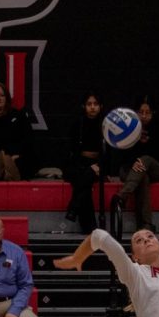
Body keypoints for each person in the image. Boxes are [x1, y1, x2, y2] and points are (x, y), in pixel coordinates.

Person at [110, 95, 159, 231]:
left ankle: (122, 195)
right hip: (130, 169)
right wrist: (134, 140)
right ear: (135, 113)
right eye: (141, 112)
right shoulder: (128, 128)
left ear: (153, 113)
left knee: (145, 159)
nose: (144, 116)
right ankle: (145, 225)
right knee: (143, 178)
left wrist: (142, 159)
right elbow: (121, 155)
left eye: (148, 113)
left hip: (155, 168)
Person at [63, 91, 104, 233]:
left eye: (95, 104)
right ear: (84, 106)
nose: (92, 107)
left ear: (100, 106)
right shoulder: (77, 124)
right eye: (89, 104)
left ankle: (74, 210)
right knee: (84, 179)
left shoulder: (106, 125)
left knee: (86, 177)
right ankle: (90, 227)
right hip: (79, 163)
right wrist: (85, 165)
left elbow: (110, 152)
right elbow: (72, 150)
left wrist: (99, 165)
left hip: (99, 164)